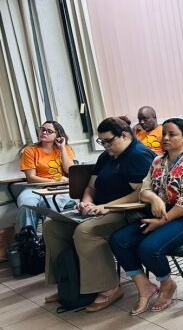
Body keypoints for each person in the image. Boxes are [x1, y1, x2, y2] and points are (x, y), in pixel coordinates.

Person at [42, 117, 155, 311]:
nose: (105, 146)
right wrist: (87, 202)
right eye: (101, 142)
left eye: (108, 141)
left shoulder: (138, 155)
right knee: (52, 226)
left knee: (86, 231)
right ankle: (67, 282)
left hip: (129, 212)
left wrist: (106, 207)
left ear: (125, 135)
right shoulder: (106, 156)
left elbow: (140, 194)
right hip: (101, 209)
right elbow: (91, 187)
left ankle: (109, 288)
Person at [110, 118, 183, 314]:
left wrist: (161, 222)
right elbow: (144, 190)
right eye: (164, 133)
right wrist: (154, 199)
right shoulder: (158, 161)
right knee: (119, 240)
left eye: (172, 134)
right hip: (162, 215)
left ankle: (167, 284)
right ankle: (144, 287)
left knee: (149, 248)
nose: (165, 138)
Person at [15, 121, 75, 233]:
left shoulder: (66, 149)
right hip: (35, 187)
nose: (44, 132)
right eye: (42, 129)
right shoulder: (30, 151)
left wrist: (62, 148)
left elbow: (69, 170)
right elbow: (31, 178)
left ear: (57, 135)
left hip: (59, 188)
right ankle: (28, 237)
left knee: (50, 204)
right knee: (26, 203)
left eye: (49, 131)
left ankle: (51, 237)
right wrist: (55, 180)